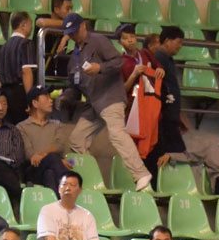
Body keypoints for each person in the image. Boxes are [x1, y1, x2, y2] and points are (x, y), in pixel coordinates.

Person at [62, 13, 152, 191]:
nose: (72, 35)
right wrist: (66, 96)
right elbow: (74, 84)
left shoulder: (98, 41)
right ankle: (92, 179)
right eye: (69, 33)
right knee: (76, 139)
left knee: (117, 133)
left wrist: (100, 68)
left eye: (74, 31)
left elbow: (118, 61)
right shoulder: (74, 57)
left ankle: (141, 174)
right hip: (94, 103)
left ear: (83, 26)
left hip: (110, 97)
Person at [36, 170, 101, 240]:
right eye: (64, 184)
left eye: (72, 185)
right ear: (59, 188)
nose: (67, 187)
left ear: (79, 190)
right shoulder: (47, 210)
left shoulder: (87, 215)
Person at [145, 26, 189, 182]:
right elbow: (161, 89)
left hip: (170, 115)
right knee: (161, 154)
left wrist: (177, 114)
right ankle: (158, 185)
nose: (180, 46)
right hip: (162, 117)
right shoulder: (158, 58)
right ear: (168, 40)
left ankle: (165, 184)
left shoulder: (167, 59)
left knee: (171, 153)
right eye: (178, 42)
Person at [117, 23, 163, 158]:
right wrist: (134, 75)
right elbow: (123, 89)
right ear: (120, 42)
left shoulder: (145, 53)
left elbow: (158, 66)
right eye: (125, 38)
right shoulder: (120, 61)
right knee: (133, 143)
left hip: (149, 103)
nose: (130, 40)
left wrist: (160, 69)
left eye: (132, 36)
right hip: (132, 107)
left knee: (150, 141)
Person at [17, 85, 72, 195]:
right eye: (46, 97)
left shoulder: (57, 125)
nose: (50, 100)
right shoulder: (21, 127)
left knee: (50, 174)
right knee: (52, 158)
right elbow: (30, 155)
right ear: (35, 103)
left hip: (53, 168)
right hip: (33, 171)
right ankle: (70, 187)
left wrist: (43, 155)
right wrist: (52, 158)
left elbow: (60, 146)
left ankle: (56, 208)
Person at [0, 12, 35, 125]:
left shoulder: (4, 46)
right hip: (19, 93)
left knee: (8, 129)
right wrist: (30, 99)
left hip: (4, 92)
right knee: (22, 129)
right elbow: (26, 72)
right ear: (23, 25)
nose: (31, 28)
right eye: (30, 24)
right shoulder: (25, 43)